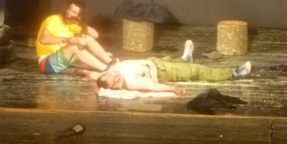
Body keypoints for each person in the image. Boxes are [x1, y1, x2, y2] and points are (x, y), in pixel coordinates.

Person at [88, 40, 251, 96]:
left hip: (154, 62)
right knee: (197, 71)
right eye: (114, 78)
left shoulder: (107, 75)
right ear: (115, 84)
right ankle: (233, 74)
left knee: (174, 60)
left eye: (111, 74)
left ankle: (185, 59)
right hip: (162, 71)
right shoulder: (129, 82)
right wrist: (172, 89)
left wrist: (81, 71)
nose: (114, 74)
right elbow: (152, 87)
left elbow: (96, 76)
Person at [36, 0, 116, 74]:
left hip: (63, 59)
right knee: (75, 46)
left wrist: (80, 24)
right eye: (69, 9)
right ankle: (106, 69)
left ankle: (112, 62)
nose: (69, 12)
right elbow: (43, 40)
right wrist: (66, 39)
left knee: (86, 38)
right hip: (47, 64)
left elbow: (95, 35)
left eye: (74, 12)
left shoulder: (72, 24)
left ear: (78, 16)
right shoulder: (55, 19)